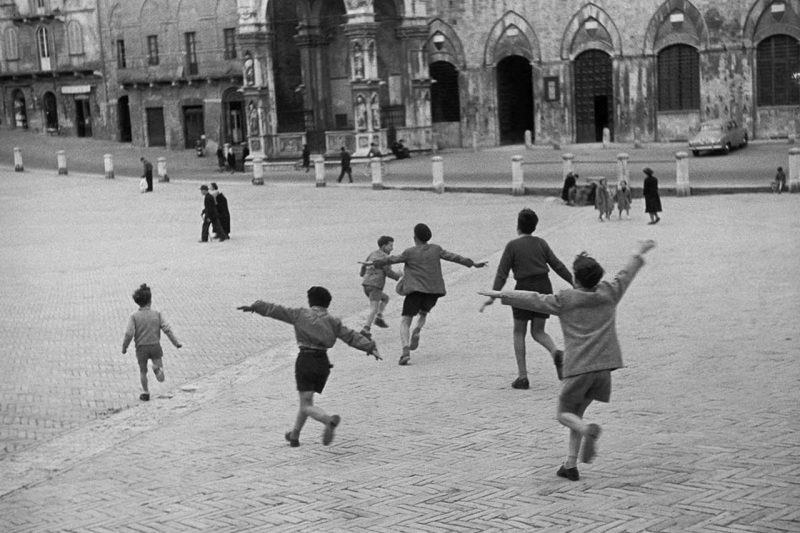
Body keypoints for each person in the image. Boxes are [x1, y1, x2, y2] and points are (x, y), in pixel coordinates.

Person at [479, 239, 657, 481]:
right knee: (577, 414)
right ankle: (570, 466)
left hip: (578, 370)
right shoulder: (609, 293)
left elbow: (534, 299)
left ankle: (587, 431)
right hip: (603, 371)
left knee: (564, 414)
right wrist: (638, 252)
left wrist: (501, 294)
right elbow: (626, 275)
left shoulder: (565, 299)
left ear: (576, 280)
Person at [237, 286, 381, 447]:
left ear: (310, 301)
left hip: (306, 359)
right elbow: (350, 336)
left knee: (306, 405)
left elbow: (276, 310)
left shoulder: (300, 314)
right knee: (306, 402)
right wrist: (369, 347)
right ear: (327, 304)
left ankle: (327, 420)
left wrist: (255, 307)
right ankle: (294, 436)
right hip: (323, 363)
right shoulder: (333, 321)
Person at [368, 223, 487, 366]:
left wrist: (376, 263)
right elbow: (454, 257)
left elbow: (392, 259)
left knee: (406, 321)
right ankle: (417, 330)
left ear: (415, 237)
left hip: (415, 291)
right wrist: (472, 263)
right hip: (434, 291)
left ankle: (405, 351)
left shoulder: (409, 252)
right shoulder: (436, 249)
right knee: (423, 313)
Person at [480, 208, 573, 389]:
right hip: (543, 287)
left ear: (518, 226)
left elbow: (502, 274)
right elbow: (557, 265)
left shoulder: (512, 246)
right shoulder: (541, 243)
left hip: (522, 289)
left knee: (519, 332)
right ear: (534, 226)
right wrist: (574, 282)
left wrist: (493, 295)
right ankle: (556, 352)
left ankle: (522, 377)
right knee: (538, 331)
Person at [121, 283, 182, 401]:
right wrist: (176, 342)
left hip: (141, 348)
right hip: (155, 346)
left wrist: (124, 347)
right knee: (161, 377)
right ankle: (157, 369)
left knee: (142, 371)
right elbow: (166, 329)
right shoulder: (157, 314)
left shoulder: (134, 316)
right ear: (150, 300)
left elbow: (129, 333)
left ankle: (145, 392)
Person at [359, 235, 402, 339]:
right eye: (390, 246)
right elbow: (388, 272)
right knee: (373, 308)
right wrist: (399, 275)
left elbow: (364, 265)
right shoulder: (385, 258)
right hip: (375, 285)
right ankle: (366, 329)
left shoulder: (372, 254)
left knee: (385, 298)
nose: (392, 248)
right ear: (383, 246)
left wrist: (362, 274)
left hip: (366, 285)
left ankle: (379, 317)